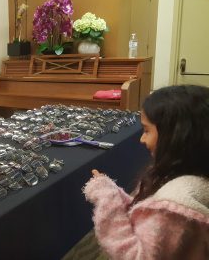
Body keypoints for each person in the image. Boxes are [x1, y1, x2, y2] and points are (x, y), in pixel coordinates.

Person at [83, 85, 209, 259]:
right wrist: (115, 194)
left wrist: (106, 197)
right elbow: (144, 213)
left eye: (147, 130)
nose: (142, 139)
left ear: (176, 136)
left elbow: (133, 254)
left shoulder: (171, 209)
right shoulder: (194, 175)